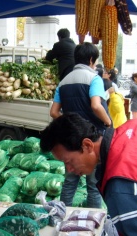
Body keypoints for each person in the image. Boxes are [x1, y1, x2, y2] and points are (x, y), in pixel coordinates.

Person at [50, 42, 111, 208]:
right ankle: (93, 222)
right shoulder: (94, 78)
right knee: (93, 184)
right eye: (96, 61)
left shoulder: (63, 82)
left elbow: (54, 112)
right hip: (92, 142)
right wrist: (108, 122)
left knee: (70, 182)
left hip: (71, 141)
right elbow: (96, 105)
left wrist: (69, 123)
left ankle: (61, 215)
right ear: (91, 59)